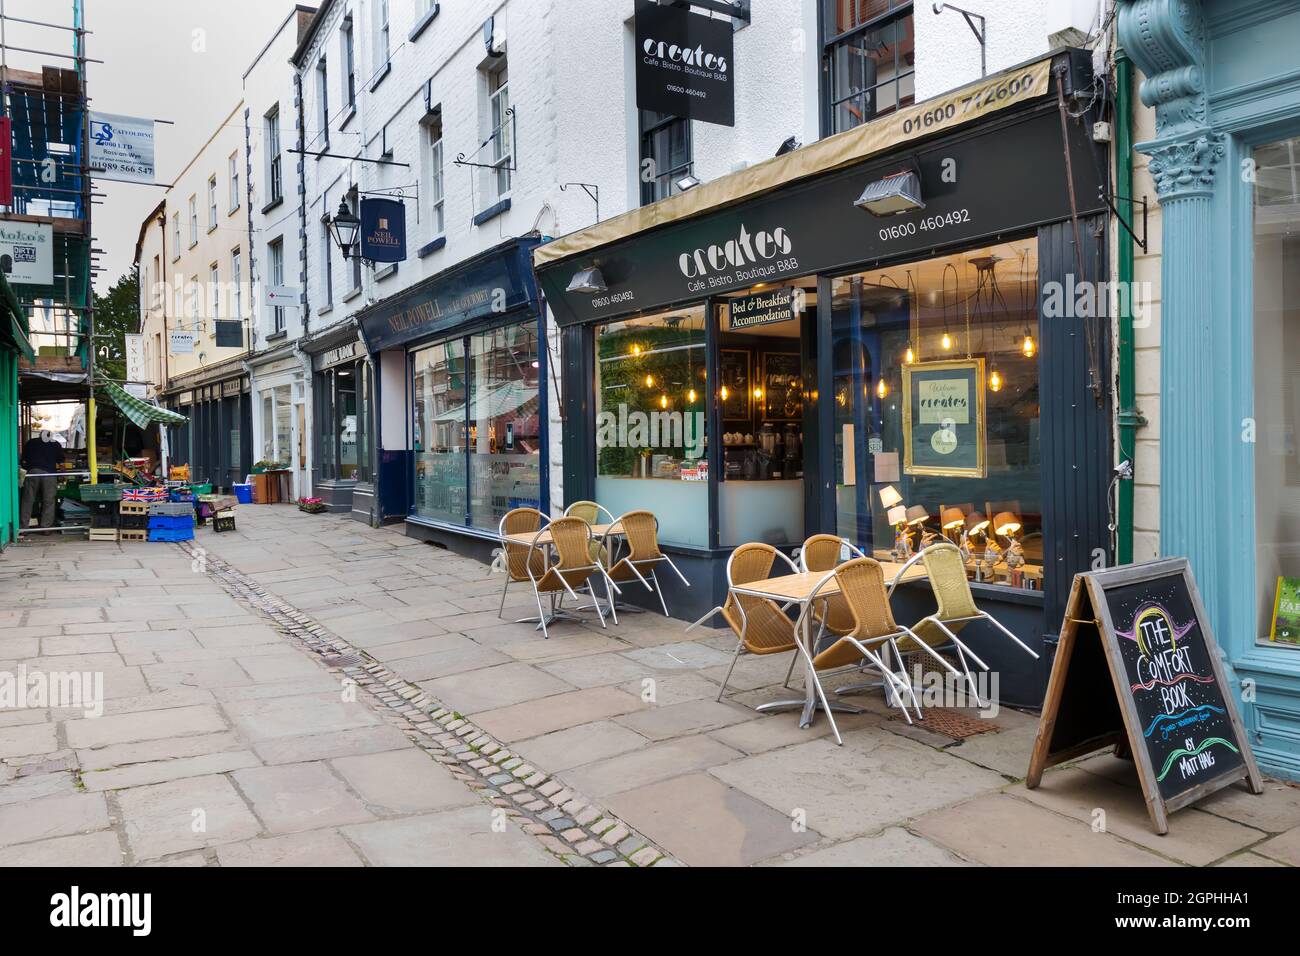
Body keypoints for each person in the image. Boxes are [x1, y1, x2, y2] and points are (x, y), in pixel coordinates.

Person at [20, 429, 65, 529]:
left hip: (32, 473)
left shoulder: (31, 443)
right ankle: (46, 527)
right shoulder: (55, 444)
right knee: (48, 501)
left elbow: (23, 460)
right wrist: (62, 474)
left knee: (28, 500)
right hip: (49, 474)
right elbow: (61, 463)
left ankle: (23, 526)